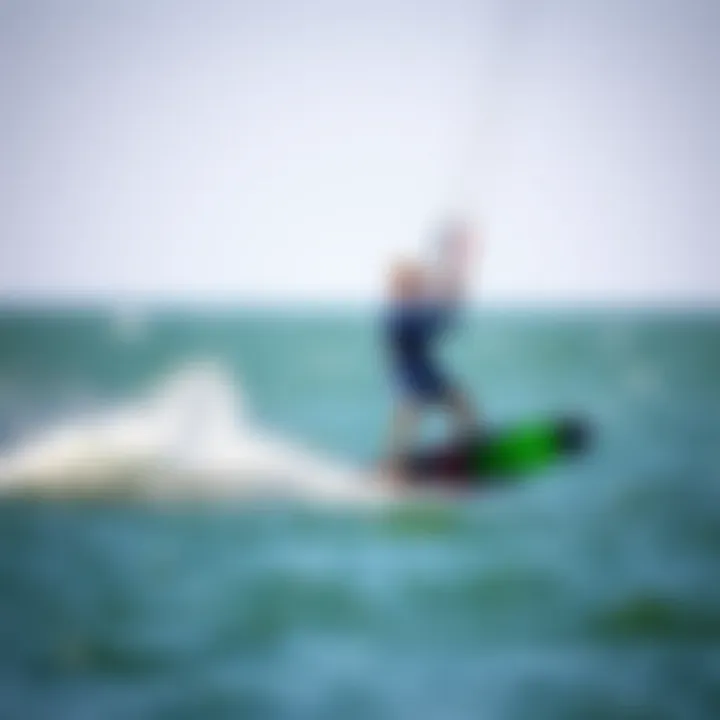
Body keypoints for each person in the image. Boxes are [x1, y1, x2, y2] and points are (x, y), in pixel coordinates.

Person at [383, 221, 479, 480]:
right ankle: (395, 470)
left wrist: (454, 282)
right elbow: (432, 324)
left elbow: (442, 321)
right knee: (408, 419)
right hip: (409, 372)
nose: (420, 287)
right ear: (401, 285)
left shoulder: (413, 306)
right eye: (414, 283)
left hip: (425, 368)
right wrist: (450, 290)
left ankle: (465, 454)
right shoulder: (399, 312)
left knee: (461, 404)